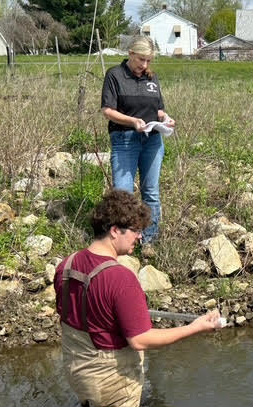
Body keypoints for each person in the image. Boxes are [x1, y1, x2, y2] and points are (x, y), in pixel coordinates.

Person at [54, 190, 223, 407]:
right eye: (135, 230)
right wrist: (194, 328)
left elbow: (74, 314)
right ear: (115, 231)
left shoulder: (66, 264)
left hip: (77, 373)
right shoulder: (121, 278)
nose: (140, 237)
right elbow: (141, 340)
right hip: (111, 383)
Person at [101, 35, 175, 255]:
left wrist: (166, 119)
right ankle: (121, 243)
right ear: (130, 53)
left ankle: (148, 240)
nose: (144, 65)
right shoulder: (114, 75)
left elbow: (158, 110)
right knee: (122, 193)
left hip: (152, 140)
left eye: (149, 61)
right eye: (141, 59)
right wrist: (132, 122)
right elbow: (108, 111)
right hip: (125, 140)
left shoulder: (152, 79)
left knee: (150, 191)